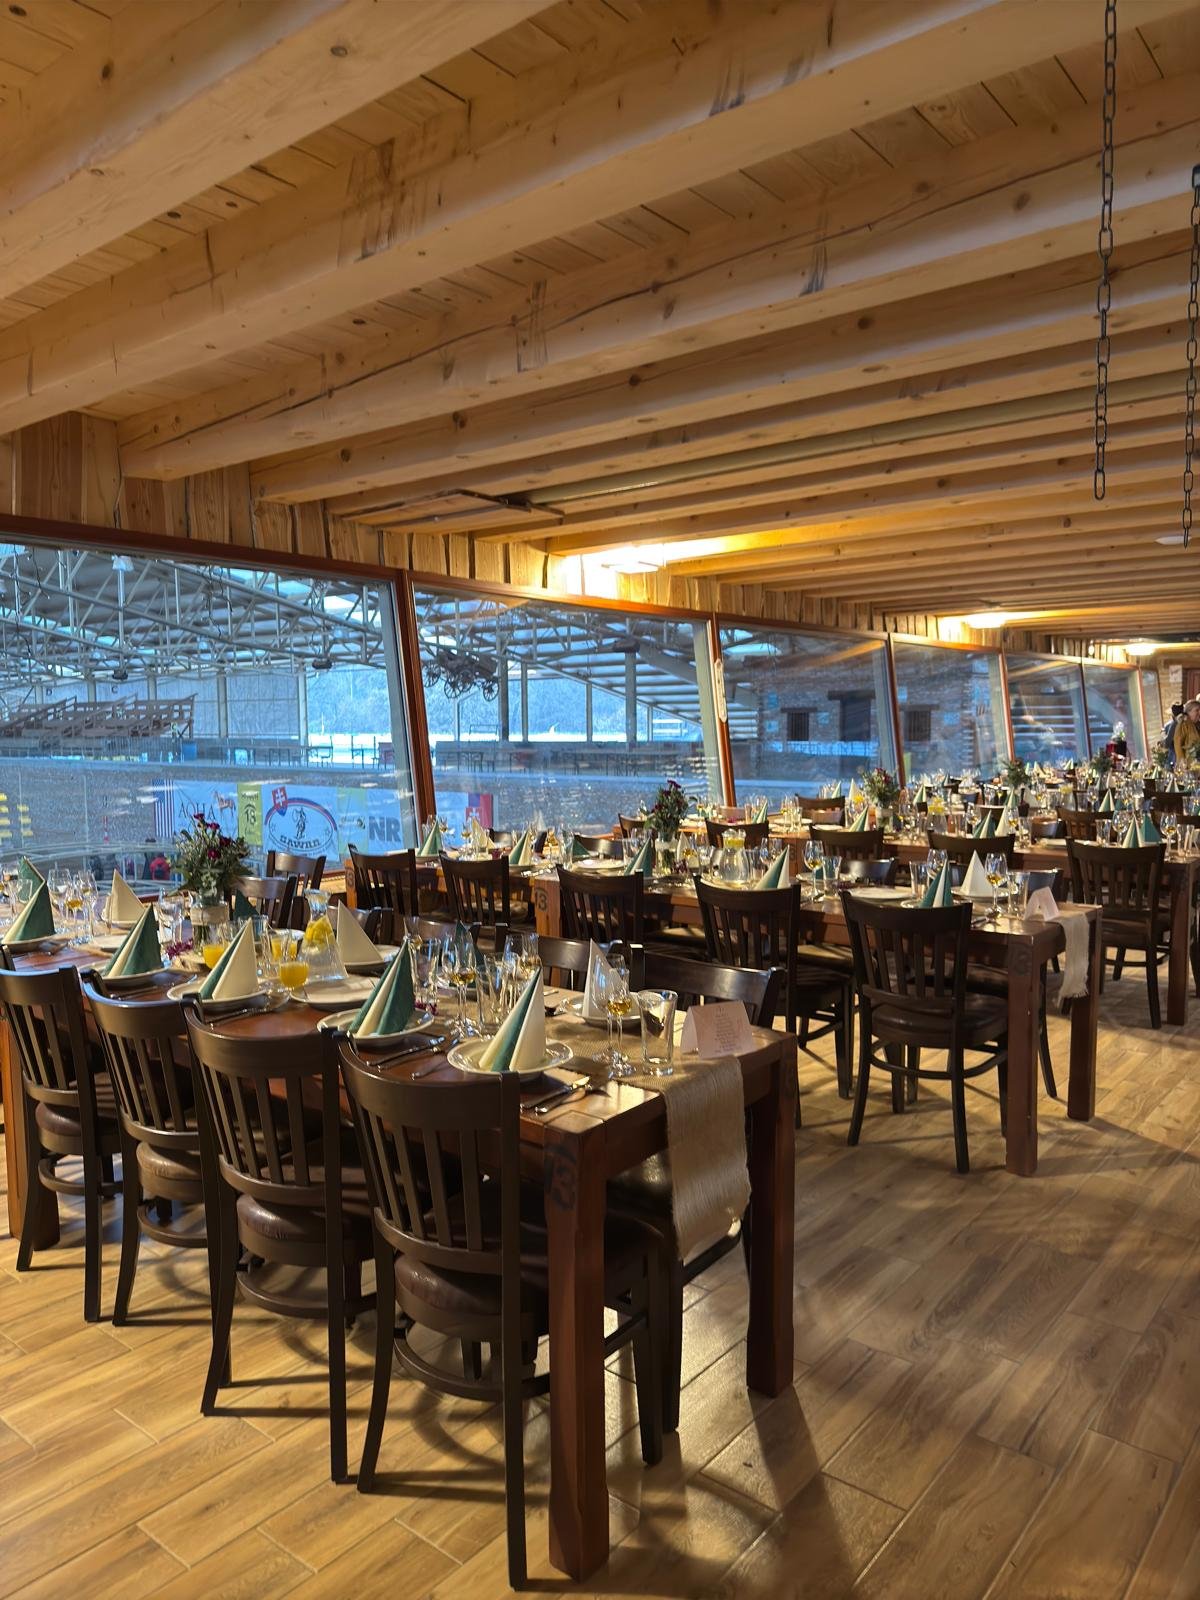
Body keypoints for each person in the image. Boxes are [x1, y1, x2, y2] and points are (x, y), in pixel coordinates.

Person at [1173, 699, 1200, 768]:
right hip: (1190, 765)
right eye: (1197, 710)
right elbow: (1178, 743)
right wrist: (1182, 764)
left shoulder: (1197, 724)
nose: (1199, 713)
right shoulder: (1183, 724)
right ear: (1189, 712)